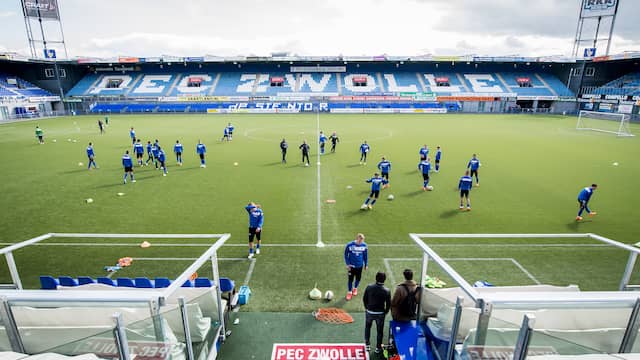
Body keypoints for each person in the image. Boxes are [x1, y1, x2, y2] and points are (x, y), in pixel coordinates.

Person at [363, 271, 391, 354]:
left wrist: (367, 308)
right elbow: (388, 304)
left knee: (367, 327)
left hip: (369, 312)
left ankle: (367, 345)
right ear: (384, 280)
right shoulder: (387, 290)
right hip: (380, 314)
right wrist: (385, 312)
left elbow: (364, 299)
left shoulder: (369, 287)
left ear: (376, 278)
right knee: (380, 331)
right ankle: (378, 348)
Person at [344, 233, 368, 300]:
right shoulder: (349, 245)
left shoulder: (364, 245)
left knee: (358, 278)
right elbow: (345, 255)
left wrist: (366, 264)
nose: (361, 242)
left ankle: (355, 288)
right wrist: (347, 264)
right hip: (351, 266)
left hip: (359, 266)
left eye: (362, 241)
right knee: (350, 280)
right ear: (357, 238)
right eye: (360, 240)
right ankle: (349, 292)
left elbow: (365, 256)